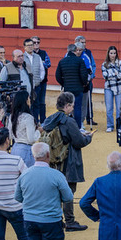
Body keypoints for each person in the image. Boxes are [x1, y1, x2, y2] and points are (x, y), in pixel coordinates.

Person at [16, 142, 73, 240]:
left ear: (34, 156)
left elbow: (18, 197)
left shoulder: (25, 175)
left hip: (30, 220)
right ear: (48, 155)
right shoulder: (56, 175)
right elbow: (68, 197)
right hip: (51, 220)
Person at [41, 92, 92, 232]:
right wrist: (88, 138)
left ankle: (57, 219)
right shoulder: (68, 121)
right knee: (68, 190)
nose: (73, 108)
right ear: (68, 105)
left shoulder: (51, 119)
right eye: (72, 106)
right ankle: (70, 221)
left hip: (53, 160)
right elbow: (79, 141)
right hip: (68, 161)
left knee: (55, 191)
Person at [55, 43, 89, 128]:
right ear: (75, 50)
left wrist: (64, 84)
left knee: (66, 108)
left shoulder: (62, 61)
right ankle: (77, 127)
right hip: (78, 88)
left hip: (67, 88)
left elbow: (57, 76)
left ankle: (67, 126)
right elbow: (84, 75)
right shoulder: (79, 61)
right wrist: (83, 84)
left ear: (67, 51)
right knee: (77, 108)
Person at [6, 90, 39, 167]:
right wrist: (38, 131)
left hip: (15, 148)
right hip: (26, 149)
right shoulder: (28, 118)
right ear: (26, 101)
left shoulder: (12, 116)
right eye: (29, 99)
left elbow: (10, 136)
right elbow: (31, 139)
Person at [24, 36, 51, 123]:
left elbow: (42, 69)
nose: (31, 46)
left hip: (37, 85)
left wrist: (39, 79)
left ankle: (36, 122)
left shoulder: (38, 56)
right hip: (26, 86)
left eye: (32, 45)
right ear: (24, 47)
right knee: (27, 104)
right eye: (29, 45)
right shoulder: (22, 57)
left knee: (37, 103)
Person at [101, 46, 121, 135]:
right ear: (108, 53)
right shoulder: (104, 64)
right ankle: (110, 126)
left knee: (119, 108)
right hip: (108, 87)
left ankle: (119, 126)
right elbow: (105, 76)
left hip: (119, 88)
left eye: (114, 53)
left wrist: (112, 74)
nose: (113, 55)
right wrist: (116, 73)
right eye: (111, 53)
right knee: (109, 108)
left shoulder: (120, 62)